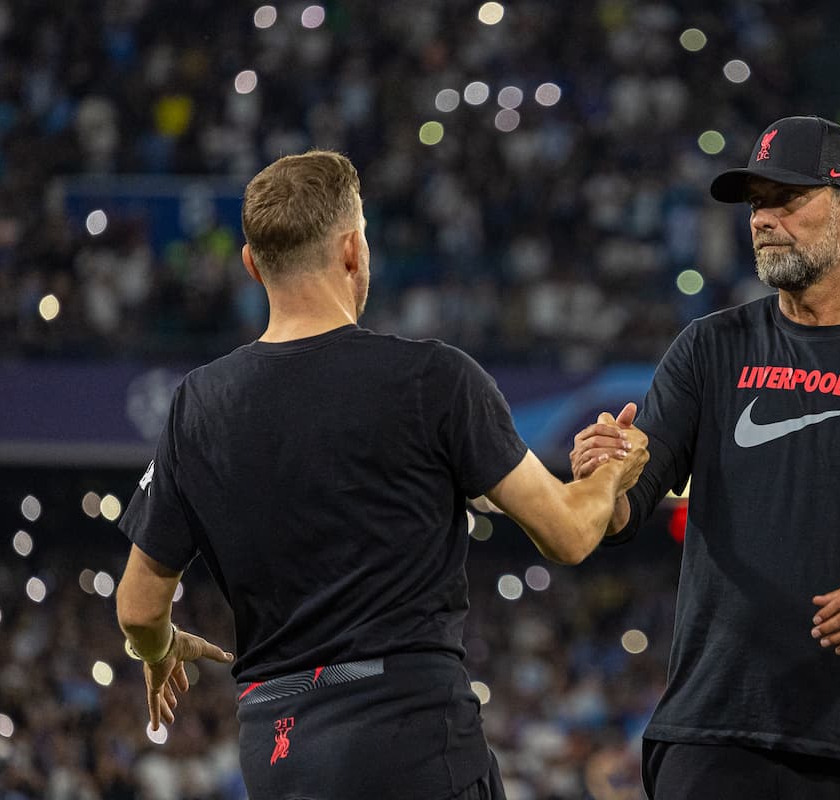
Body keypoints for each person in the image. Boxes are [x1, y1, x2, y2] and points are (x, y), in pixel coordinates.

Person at [115, 149, 649, 800]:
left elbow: (139, 607)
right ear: (352, 250)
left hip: (273, 748)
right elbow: (566, 533)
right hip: (409, 738)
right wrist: (610, 476)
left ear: (253, 265)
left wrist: (157, 648)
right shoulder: (433, 379)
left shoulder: (196, 405)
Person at [570, 116, 840, 800]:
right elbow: (628, 510)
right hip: (716, 735)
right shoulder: (709, 347)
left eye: (788, 200)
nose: (764, 220)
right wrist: (605, 474)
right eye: (756, 204)